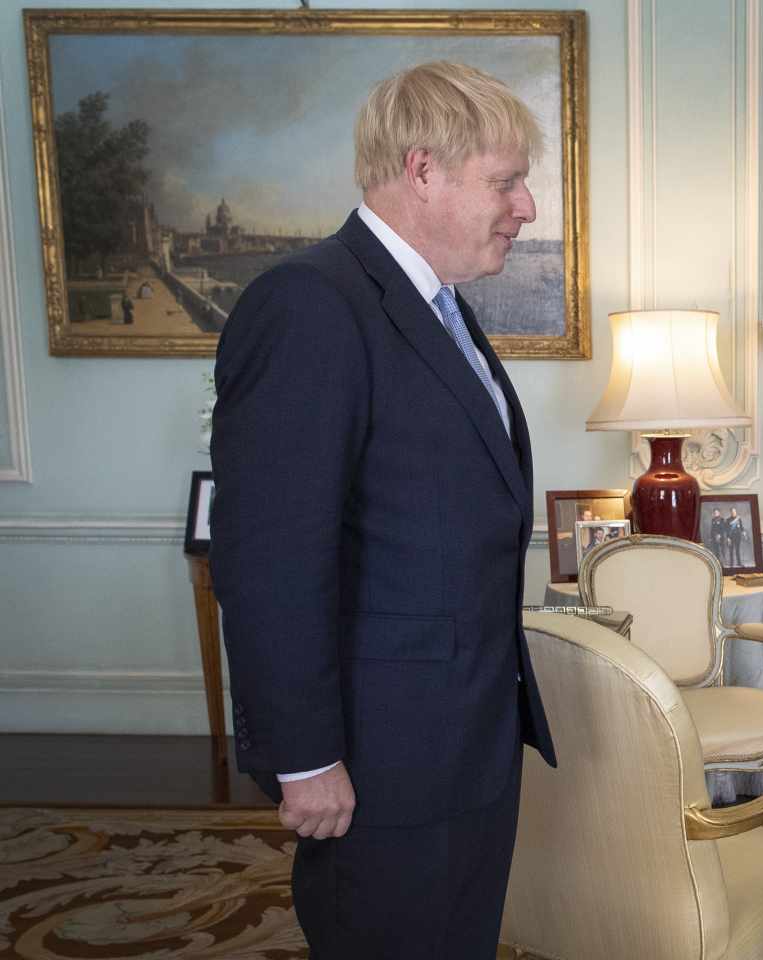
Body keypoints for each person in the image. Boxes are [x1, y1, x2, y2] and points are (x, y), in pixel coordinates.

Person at [209, 61, 554, 959]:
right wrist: (304, 755)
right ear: (423, 170)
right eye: (507, 181)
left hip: (458, 738)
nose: (527, 207)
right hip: (379, 757)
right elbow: (271, 558)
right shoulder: (309, 304)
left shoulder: (434, 306)